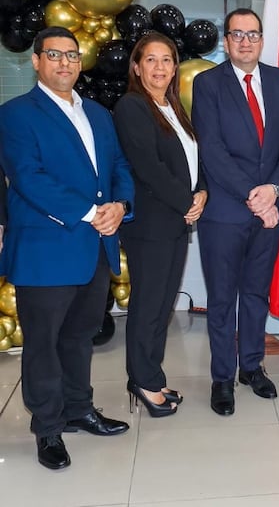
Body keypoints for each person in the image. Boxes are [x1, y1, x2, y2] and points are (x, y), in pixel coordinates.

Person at [0, 26, 134, 470]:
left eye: (72, 56)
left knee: (80, 338)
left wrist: (121, 204)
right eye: (54, 55)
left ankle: (79, 410)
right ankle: (48, 429)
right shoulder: (16, 114)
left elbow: (117, 165)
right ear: (36, 61)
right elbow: (28, 176)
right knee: (44, 343)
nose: (64, 63)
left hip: (94, 248)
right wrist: (89, 212)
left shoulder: (98, 112)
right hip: (47, 248)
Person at [192, 8, 279, 416]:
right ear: (225, 40)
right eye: (237, 34)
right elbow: (212, 151)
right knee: (222, 299)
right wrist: (255, 197)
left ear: (262, 39)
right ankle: (222, 376)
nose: (245, 41)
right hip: (224, 211)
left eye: (252, 34)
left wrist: (272, 191)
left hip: (268, 209)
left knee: (255, 293)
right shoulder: (207, 84)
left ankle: (251, 366)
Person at [113, 32, 208, 417]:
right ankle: (141, 379)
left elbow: (191, 159)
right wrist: (187, 202)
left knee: (163, 305)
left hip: (175, 222)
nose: (159, 67)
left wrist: (201, 191)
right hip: (151, 226)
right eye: (150, 60)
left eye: (167, 60)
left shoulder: (171, 107)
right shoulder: (132, 107)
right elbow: (148, 167)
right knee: (148, 305)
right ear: (137, 67)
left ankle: (151, 375)